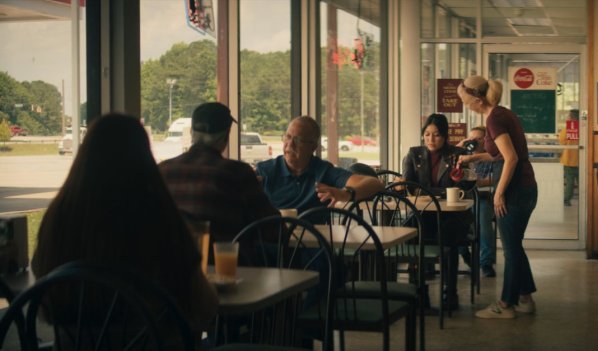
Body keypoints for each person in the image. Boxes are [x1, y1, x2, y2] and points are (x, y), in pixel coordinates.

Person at [32, 114, 218, 340]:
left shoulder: (58, 220)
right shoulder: (160, 221)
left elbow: (43, 307)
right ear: (144, 159)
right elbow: (203, 309)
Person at [458, 76, 538, 319]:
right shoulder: (502, 114)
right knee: (514, 246)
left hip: (516, 190)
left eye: (466, 100)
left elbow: (510, 158)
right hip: (525, 187)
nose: (465, 105)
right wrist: (472, 158)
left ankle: (505, 305)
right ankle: (525, 298)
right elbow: (498, 155)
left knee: (511, 250)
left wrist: (499, 193)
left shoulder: (494, 119)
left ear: (478, 99)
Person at [159, 102, 277, 245]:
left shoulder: (163, 170)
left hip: (171, 264)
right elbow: (273, 229)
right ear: (225, 136)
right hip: (227, 264)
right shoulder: (237, 173)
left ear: (191, 132)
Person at [401, 113, 475, 310]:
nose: (431, 140)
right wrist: (443, 192)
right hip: (423, 214)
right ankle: (418, 290)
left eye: (436, 135)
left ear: (445, 136)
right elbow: (410, 187)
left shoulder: (458, 154)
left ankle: (449, 293)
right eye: (427, 134)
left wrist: (428, 191)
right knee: (409, 229)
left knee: (448, 233)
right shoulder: (413, 154)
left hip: (453, 215)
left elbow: (465, 187)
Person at [255, 115, 384, 221]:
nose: (290, 144)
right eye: (288, 137)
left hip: (313, 248)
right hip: (270, 248)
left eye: (298, 140)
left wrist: (344, 193)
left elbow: (374, 184)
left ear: (313, 147)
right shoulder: (265, 171)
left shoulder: (323, 171)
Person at [457, 126, 499, 278]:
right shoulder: (462, 155)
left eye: (479, 139)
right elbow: (446, 161)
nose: (475, 142)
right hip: (463, 198)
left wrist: (480, 182)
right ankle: (464, 253)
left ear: (486, 140)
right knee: (454, 221)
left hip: (482, 197)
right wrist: (461, 145)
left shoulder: (490, 156)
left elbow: (497, 178)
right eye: (472, 138)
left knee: (483, 221)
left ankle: (486, 262)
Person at [558, 109, 580, 206]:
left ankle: (566, 200)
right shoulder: (584, 127)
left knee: (570, 183)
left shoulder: (568, 128)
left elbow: (562, 141)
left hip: (568, 160)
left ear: (571, 117)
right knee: (582, 182)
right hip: (581, 161)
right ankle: (586, 199)